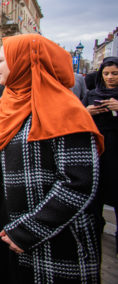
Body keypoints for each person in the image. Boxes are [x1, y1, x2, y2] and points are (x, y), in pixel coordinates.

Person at [0, 34, 104, 284]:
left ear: (25, 62)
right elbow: (1, 156)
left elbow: (78, 183)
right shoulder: (8, 103)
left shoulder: (65, 109)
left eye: (3, 60)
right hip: (2, 225)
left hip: (47, 237)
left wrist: (27, 231)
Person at [83, 56, 118, 255]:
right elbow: (78, 116)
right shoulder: (92, 94)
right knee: (95, 195)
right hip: (95, 149)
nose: (110, 78)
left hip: (116, 150)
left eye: (114, 73)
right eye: (106, 74)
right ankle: (95, 231)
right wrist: (87, 111)